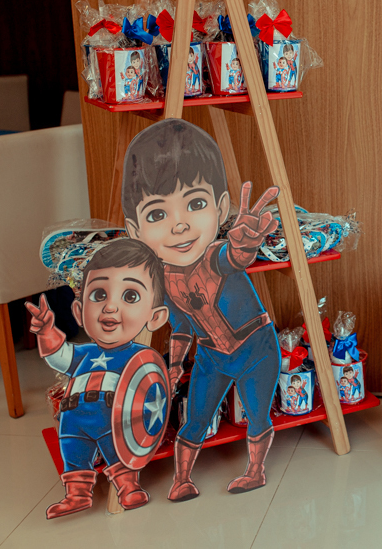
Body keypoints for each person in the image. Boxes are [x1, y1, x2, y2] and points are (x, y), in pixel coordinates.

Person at [121, 118, 281, 501]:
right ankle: (181, 480)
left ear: (221, 207)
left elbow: (233, 258)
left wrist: (245, 243)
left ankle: (255, 470)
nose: (179, 226)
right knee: (194, 419)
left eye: (195, 204)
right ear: (135, 230)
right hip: (212, 356)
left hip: (257, 348)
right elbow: (180, 325)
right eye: (157, 214)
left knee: (257, 413)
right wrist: (175, 364)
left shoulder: (214, 256)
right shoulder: (163, 279)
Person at [26, 238, 170, 519]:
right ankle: (76, 494)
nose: (110, 307)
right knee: (73, 453)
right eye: (99, 294)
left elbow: (147, 387)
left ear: (155, 317)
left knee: (118, 453)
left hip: (113, 419)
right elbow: (59, 356)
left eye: (130, 296)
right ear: (79, 311)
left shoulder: (138, 357)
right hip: (73, 417)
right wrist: (47, 333)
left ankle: (128, 487)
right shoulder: (84, 352)